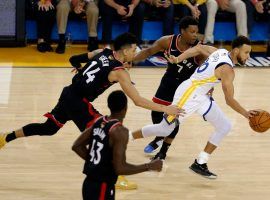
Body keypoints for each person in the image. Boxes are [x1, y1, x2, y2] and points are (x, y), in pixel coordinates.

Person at [0, 33, 181, 150]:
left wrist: (80, 69)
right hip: (79, 103)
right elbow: (138, 101)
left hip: (68, 93)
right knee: (108, 134)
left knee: (48, 128)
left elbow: (73, 58)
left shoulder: (101, 51)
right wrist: (167, 109)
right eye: (134, 49)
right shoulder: (120, 73)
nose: (137, 52)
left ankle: (5, 137)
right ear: (125, 51)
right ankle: (114, 174)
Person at [130, 35, 257, 179]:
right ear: (235, 51)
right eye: (246, 52)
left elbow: (198, 48)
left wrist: (178, 59)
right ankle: (127, 136)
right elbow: (229, 100)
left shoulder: (220, 51)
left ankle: (200, 162)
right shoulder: (227, 70)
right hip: (188, 94)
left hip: (201, 96)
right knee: (164, 128)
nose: (248, 56)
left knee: (225, 126)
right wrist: (246, 113)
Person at [134, 16, 213, 160]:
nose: (195, 35)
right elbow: (148, 52)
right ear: (182, 31)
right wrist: (131, 60)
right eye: (192, 32)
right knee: (156, 112)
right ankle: (159, 137)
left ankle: (163, 151)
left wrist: (208, 89)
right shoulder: (168, 41)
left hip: (185, 86)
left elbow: (207, 72)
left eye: (197, 32)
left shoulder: (199, 49)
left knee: (173, 118)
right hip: (169, 80)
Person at [72, 90, 163, 200]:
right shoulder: (120, 131)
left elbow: (77, 146)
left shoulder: (99, 121)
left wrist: (95, 162)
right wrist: (149, 166)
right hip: (102, 187)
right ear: (126, 108)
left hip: (88, 183)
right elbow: (120, 168)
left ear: (109, 106)